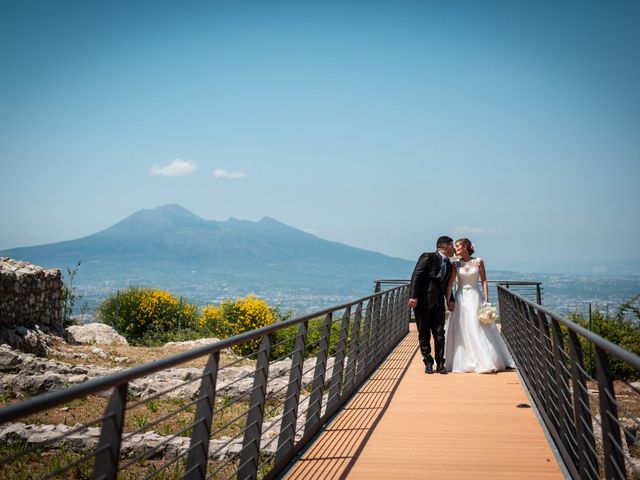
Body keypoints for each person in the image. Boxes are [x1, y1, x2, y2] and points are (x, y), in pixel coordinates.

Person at [444, 238, 515, 373]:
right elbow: (451, 283)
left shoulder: (479, 261)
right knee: (462, 325)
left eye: (458, 246)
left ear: (466, 247)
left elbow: (484, 281)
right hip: (461, 297)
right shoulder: (456, 264)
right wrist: (448, 300)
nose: (456, 248)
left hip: (475, 296)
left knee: (478, 326)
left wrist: (486, 299)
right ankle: (464, 358)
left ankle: (486, 358)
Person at [408, 236, 455, 374]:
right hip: (423, 302)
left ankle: (440, 363)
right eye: (452, 246)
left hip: (439, 303)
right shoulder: (428, 257)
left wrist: (450, 299)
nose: (453, 249)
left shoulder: (449, 264)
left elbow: (448, 285)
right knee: (424, 334)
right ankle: (428, 362)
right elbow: (417, 276)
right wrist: (413, 296)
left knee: (440, 334)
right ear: (445, 246)